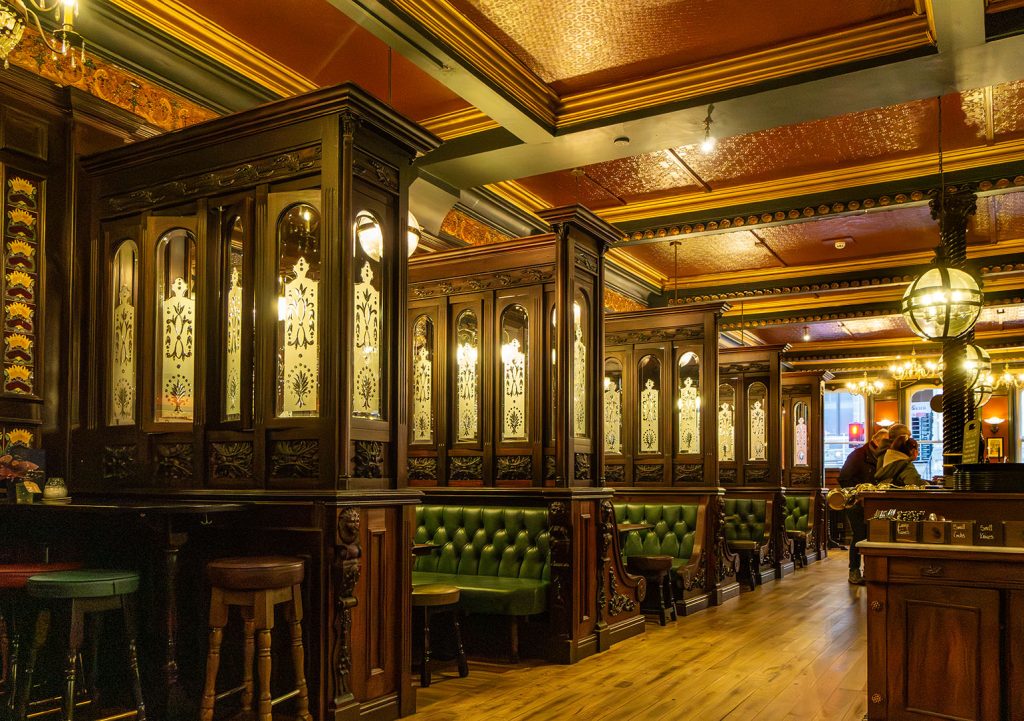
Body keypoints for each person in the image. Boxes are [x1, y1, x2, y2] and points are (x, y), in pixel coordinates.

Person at [838, 428, 888, 585]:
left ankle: (870, 571)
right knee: (859, 535)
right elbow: (844, 479)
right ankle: (854, 571)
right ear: (877, 441)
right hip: (856, 503)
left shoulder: (880, 456)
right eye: (886, 442)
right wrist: (858, 494)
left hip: (873, 502)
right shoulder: (858, 455)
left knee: (872, 536)